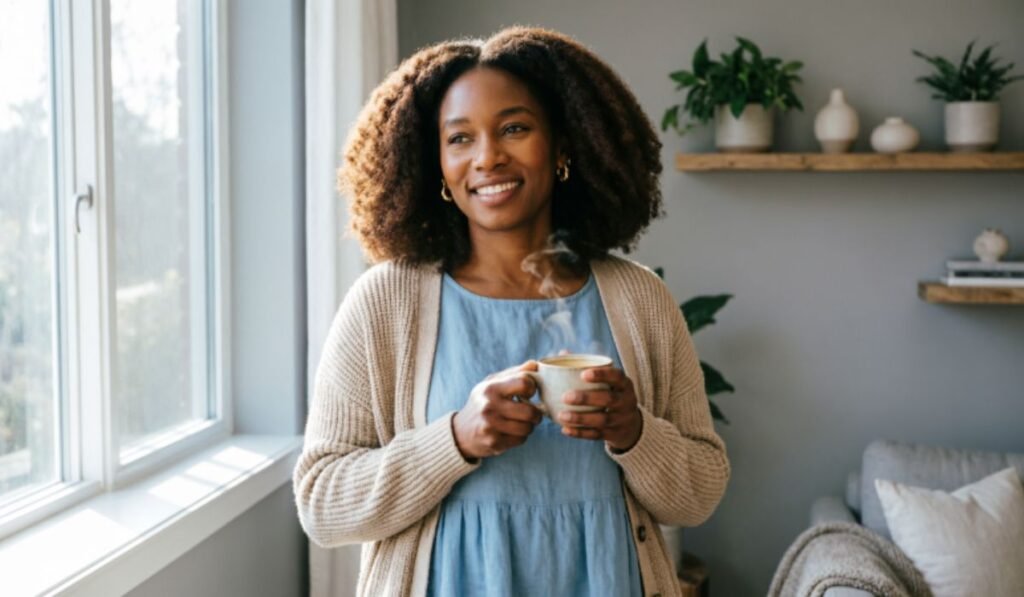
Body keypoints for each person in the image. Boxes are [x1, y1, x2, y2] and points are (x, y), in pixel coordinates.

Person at [293, 26, 730, 597]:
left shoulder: (640, 299)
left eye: (515, 129)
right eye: (459, 139)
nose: (488, 157)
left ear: (564, 146)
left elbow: (698, 496)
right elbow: (322, 505)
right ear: (437, 168)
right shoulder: (385, 303)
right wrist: (455, 439)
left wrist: (634, 431)